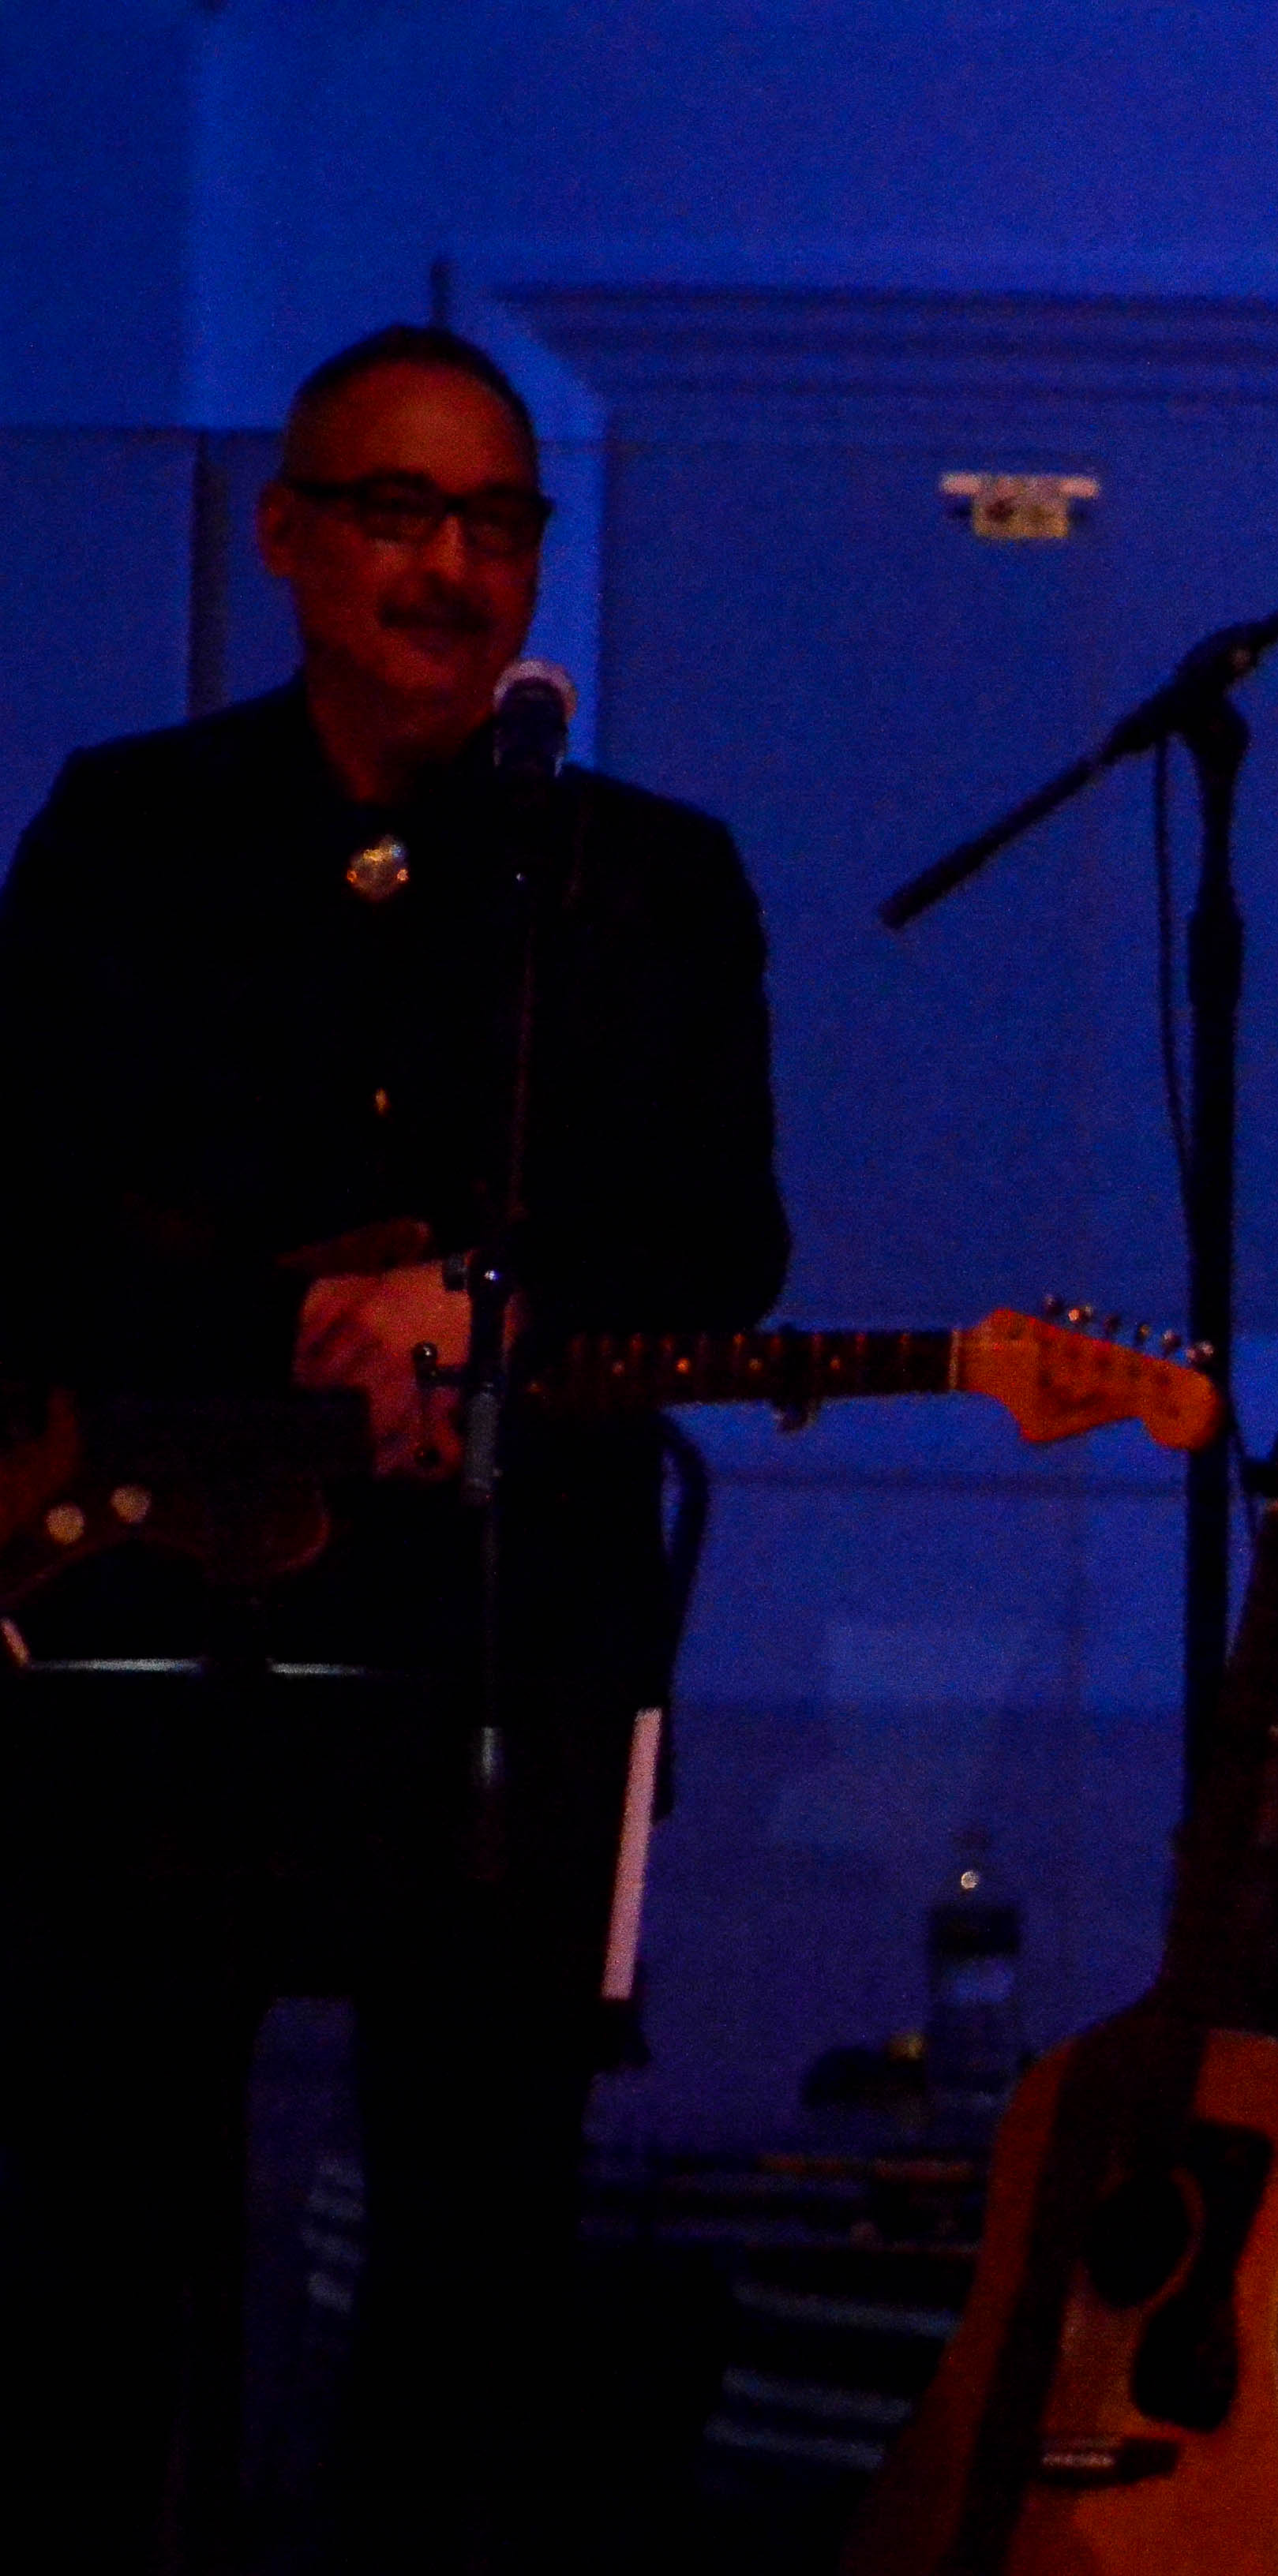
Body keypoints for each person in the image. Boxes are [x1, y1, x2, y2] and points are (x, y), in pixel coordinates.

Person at [0, 325, 787, 2571]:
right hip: (152, 1601)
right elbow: (30, 1206)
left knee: (478, 2227)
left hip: (503, 1630)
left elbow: (723, 1244)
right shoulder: (137, 831)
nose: (450, 566)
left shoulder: (647, 876)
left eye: (498, 521)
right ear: (286, 536)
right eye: (395, 510)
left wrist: (487, 1298)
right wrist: (288, 1315)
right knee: (104, 2209)